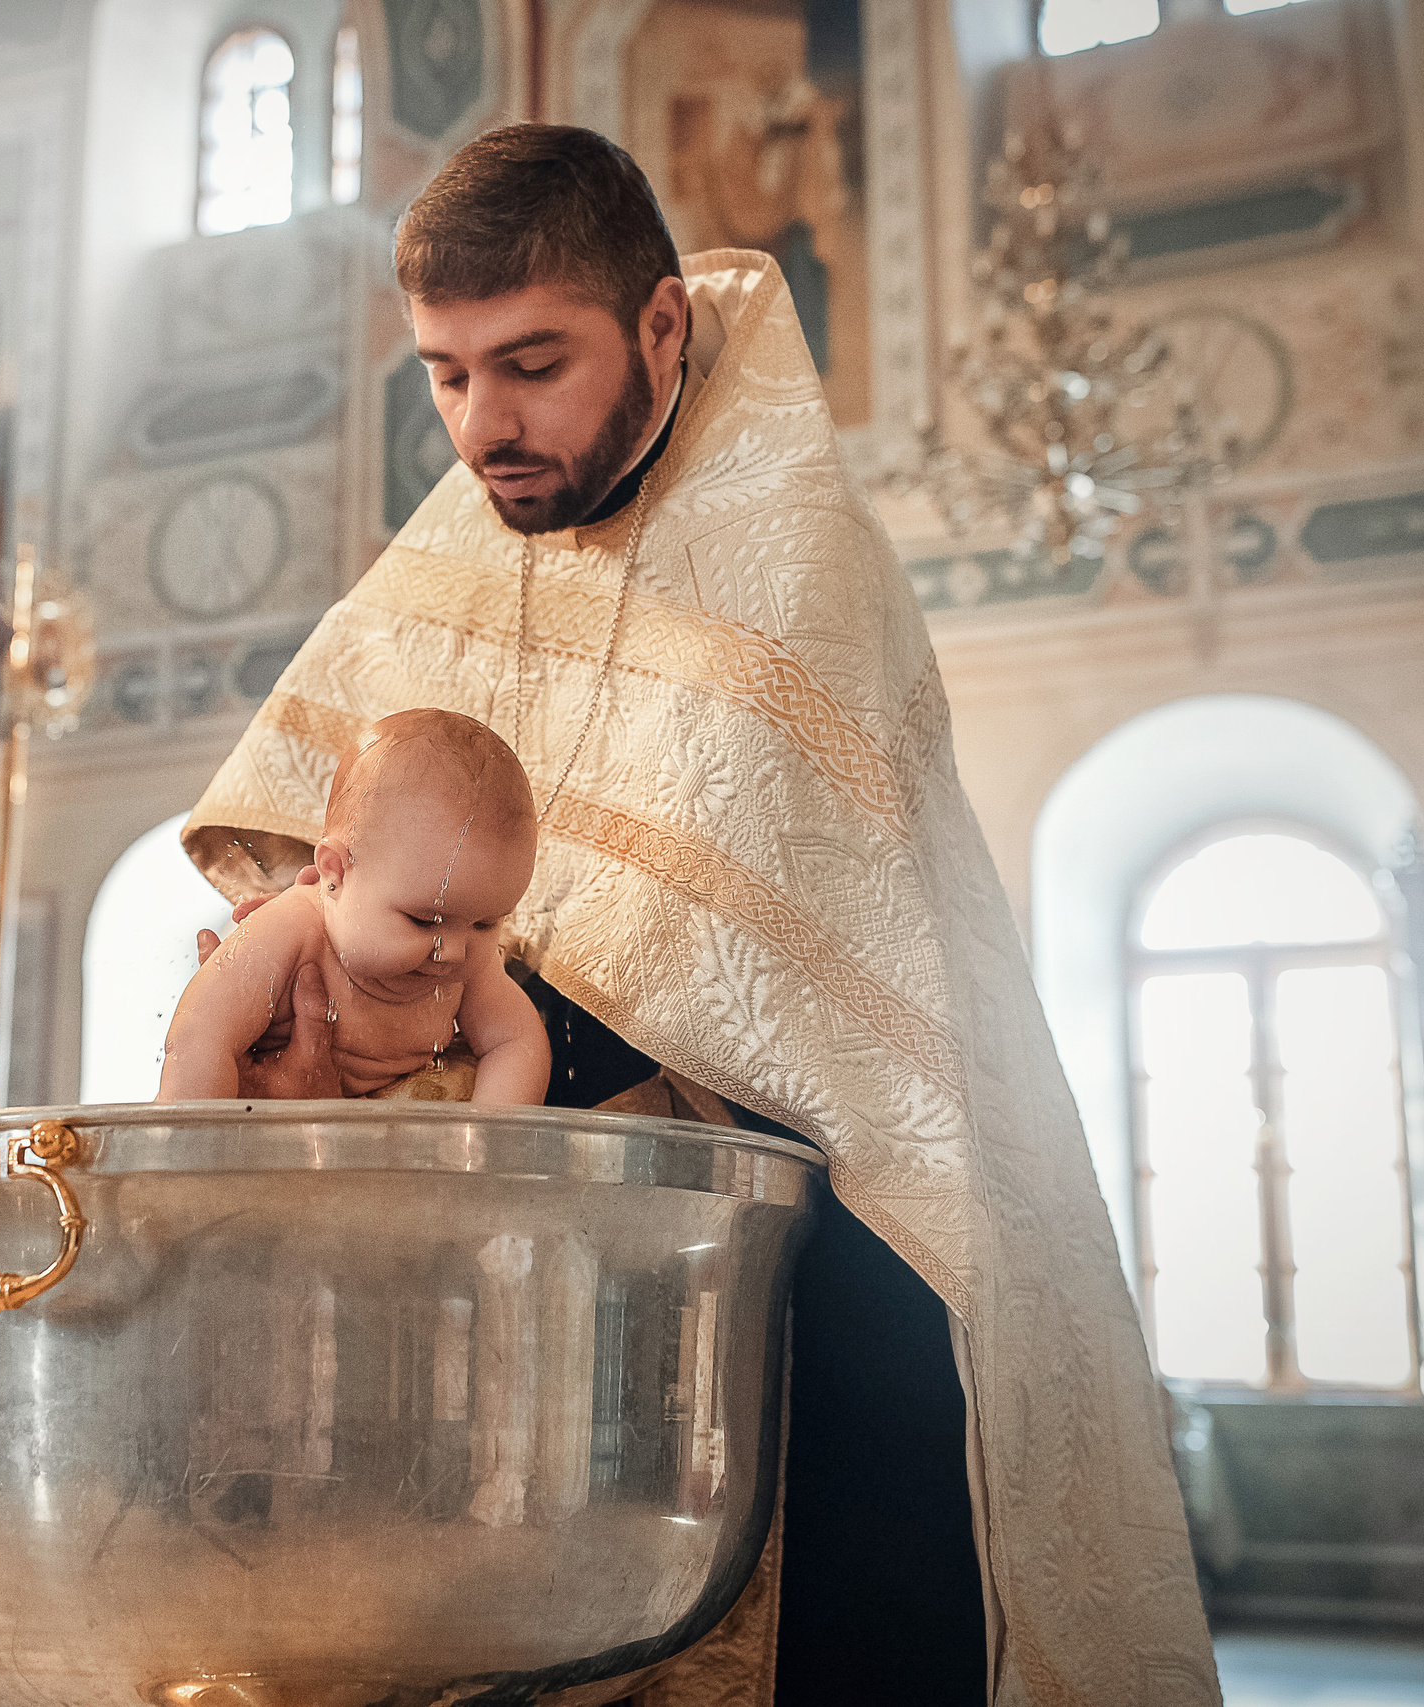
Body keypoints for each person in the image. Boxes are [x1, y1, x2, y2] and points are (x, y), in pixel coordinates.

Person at [182, 125, 1215, 1705]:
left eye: (532, 363)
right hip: (492, 1265)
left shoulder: (794, 567)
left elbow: (729, 975)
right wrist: (299, 971)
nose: (485, 427)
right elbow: (309, 832)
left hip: (801, 1280)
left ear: (662, 326)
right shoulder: (463, 536)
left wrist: (439, 1024)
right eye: (447, 376)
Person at [160, 709, 547, 1104]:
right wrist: (194, 1145)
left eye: (486, 924)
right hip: (258, 1124)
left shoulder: (468, 964)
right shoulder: (289, 932)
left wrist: (487, 1142)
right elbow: (200, 1033)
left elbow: (517, 1041)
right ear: (336, 871)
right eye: (423, 920)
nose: (453, 950)